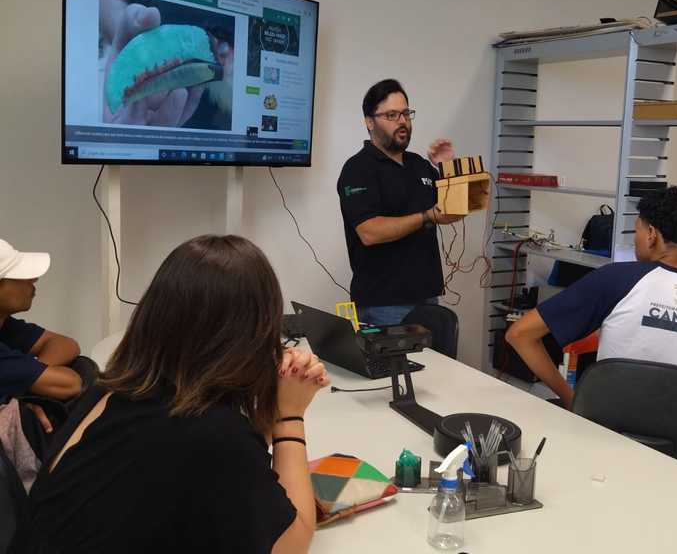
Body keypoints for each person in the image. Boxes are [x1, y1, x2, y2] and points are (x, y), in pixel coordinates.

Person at [27, 235, 330, 554]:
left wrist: (271, 398)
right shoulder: (211, 431)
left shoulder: (115, 389)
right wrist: (290, 415)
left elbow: (227, 471)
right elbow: (290, 544)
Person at [505, 187, 677, 410]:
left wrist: (573, 401)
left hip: (612, 442)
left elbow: (519, 334)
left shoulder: (616, 280)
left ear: (652, 234)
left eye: (637, 230)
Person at [337, 79, 463, 326]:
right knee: (391, 367)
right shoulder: (358, 169)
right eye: (392, 115)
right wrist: (426, 216)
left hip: (427, 297)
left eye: (406, 113)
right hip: (383, 304)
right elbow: (369, 232)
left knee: (432, 366)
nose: (403, 121)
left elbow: (454, 211)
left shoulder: (419, 165)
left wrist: (448, 169)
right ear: (369, 121)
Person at [0, 238, 83, 491]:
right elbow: (71, 384)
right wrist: (33, 378)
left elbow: (66, 345)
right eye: (22, 277)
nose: (33, 282)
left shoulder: (5, 325)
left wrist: (25, 381)